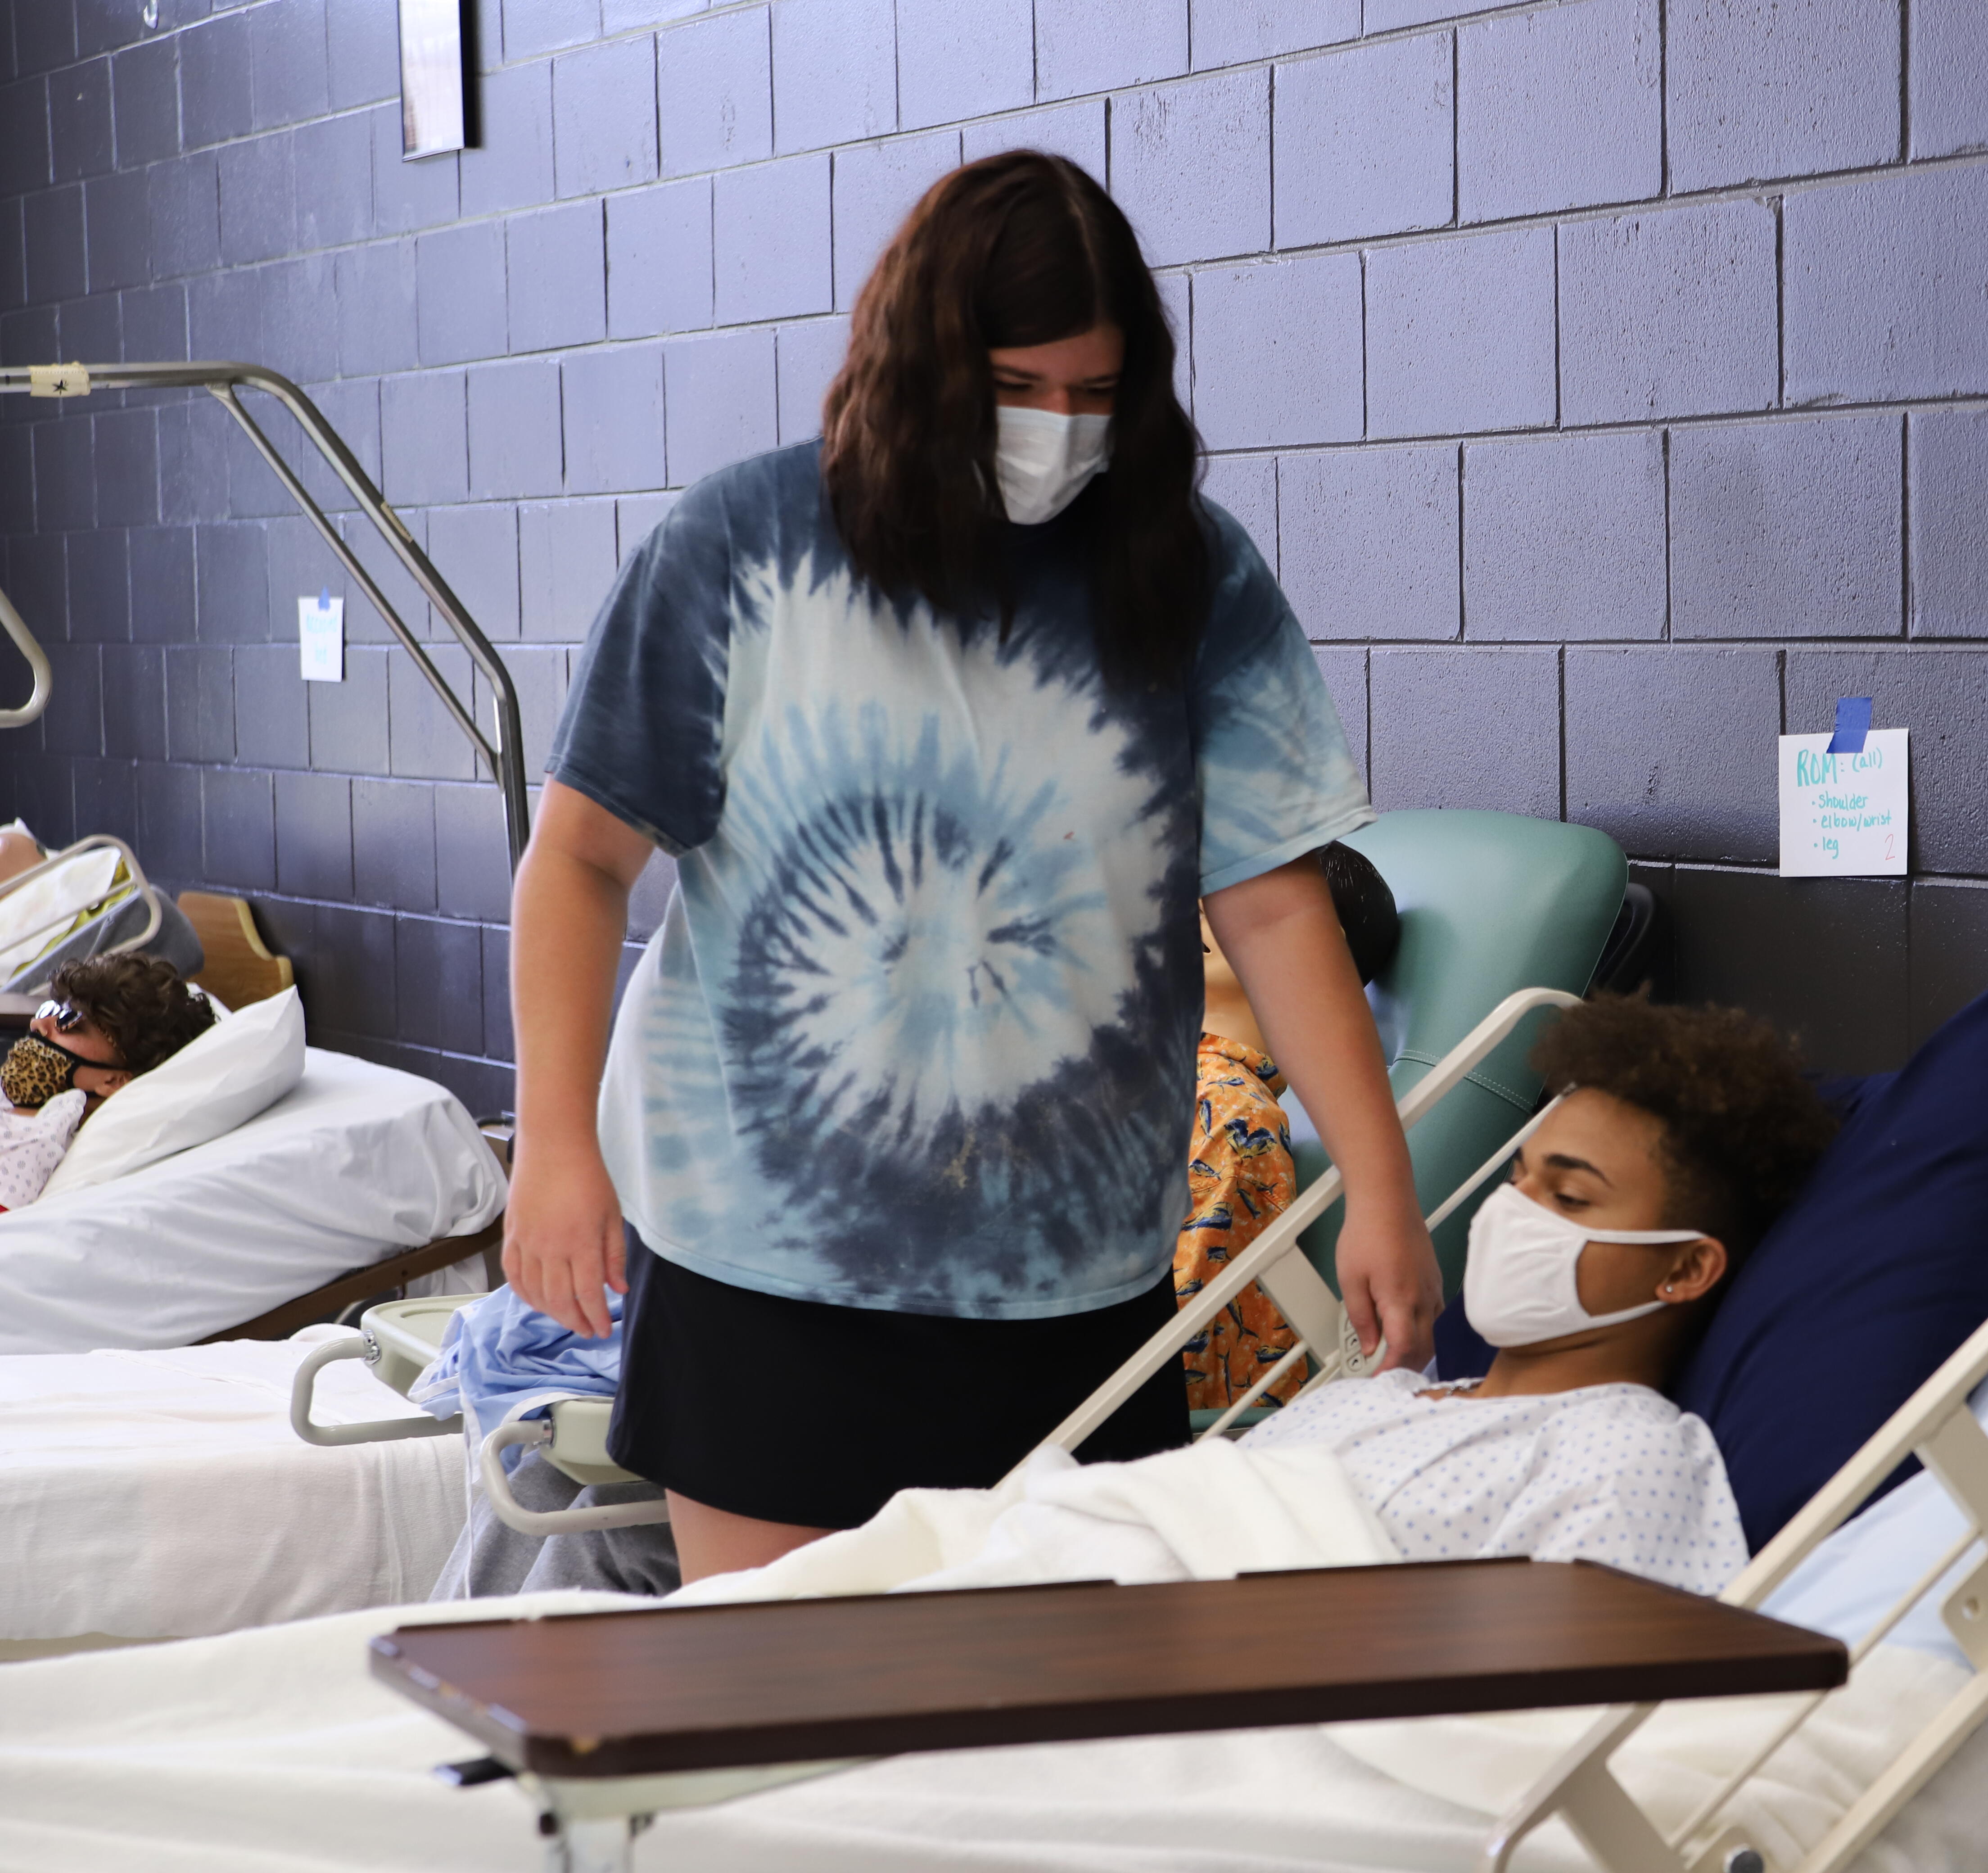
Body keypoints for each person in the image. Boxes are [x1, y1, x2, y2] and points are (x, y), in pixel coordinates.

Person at [505, 150, 1440, 1583]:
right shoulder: (740, 547)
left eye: (1092, 396)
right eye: (1017, 390)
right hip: (769, 1268)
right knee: (783, 1721)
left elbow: (1268, 898)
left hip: (1078, 1273)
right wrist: (554, 1145)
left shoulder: (1185, 574)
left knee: (1049, 1754)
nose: (1057, 432)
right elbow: (579, 858)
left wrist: (1380, 1187)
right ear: (922, 369)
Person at [1234, 995, 1838, 1593]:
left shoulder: (1621, 1459)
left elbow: (1565, 1676)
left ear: (1684, 1268)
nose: (1510, 1211)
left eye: (1569, 1197)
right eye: (1517, 1177)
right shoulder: (1373, 1399)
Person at [1179, 838, 1400, 1412]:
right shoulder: (1163, 1086)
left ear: (1316, 947)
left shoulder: (1230, 1118)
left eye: (1221, 892)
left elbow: (1186, 1349)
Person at [0, 954, 217, 1208]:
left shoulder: (32, 1143)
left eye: (69, 1021)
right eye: (48, 1010)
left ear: (114, 1081)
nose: (38, 1023)